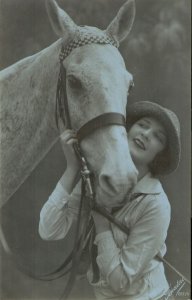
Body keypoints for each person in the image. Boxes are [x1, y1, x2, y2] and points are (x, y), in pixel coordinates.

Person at [38, 101, 181, 300]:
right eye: (143, 125)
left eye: (158, 137)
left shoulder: (156, 205)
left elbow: (120, 281)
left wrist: (102, 224)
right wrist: (71, 170)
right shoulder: (99, 176)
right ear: (127, 129)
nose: (146, 134)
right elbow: (49, 229)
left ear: (160, 155)